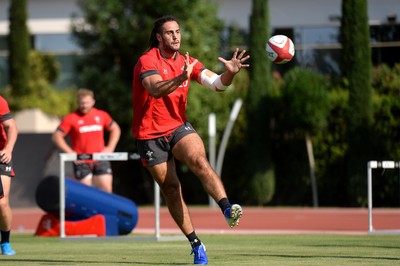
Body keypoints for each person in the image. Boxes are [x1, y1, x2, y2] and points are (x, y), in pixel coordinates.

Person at [132, 16, 250, 265]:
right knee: (171, 189)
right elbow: (154, 89)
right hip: (149, 134)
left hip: (177, 126)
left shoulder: (189, 61)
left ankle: (227, 208)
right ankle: (196, 244)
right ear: (159, 37)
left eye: (177, 31)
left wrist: (229, 74)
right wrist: (179, 78)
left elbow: (217, 85)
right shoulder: (147, 60)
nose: (176, 36)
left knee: (198, 159)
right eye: (169, 33)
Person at [52, 88, 121, 193]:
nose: (84, 106)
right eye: (82, 103)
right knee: (85, 192)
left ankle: (103, 210)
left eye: (87, 103)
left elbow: (115, 129)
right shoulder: (70, 118)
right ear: (78, 102)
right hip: (82, 160)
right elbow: (56, 136)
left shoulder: (101, 115)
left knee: (106, 189)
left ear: (93, 101)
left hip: (100, 158)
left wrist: (110, 147)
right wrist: (71, 153)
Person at [0, 96, 18, 256]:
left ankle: (5, 241)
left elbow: (11, 126)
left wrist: (8, 149)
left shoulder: (0, 101)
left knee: (2, 203)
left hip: (1, 156)